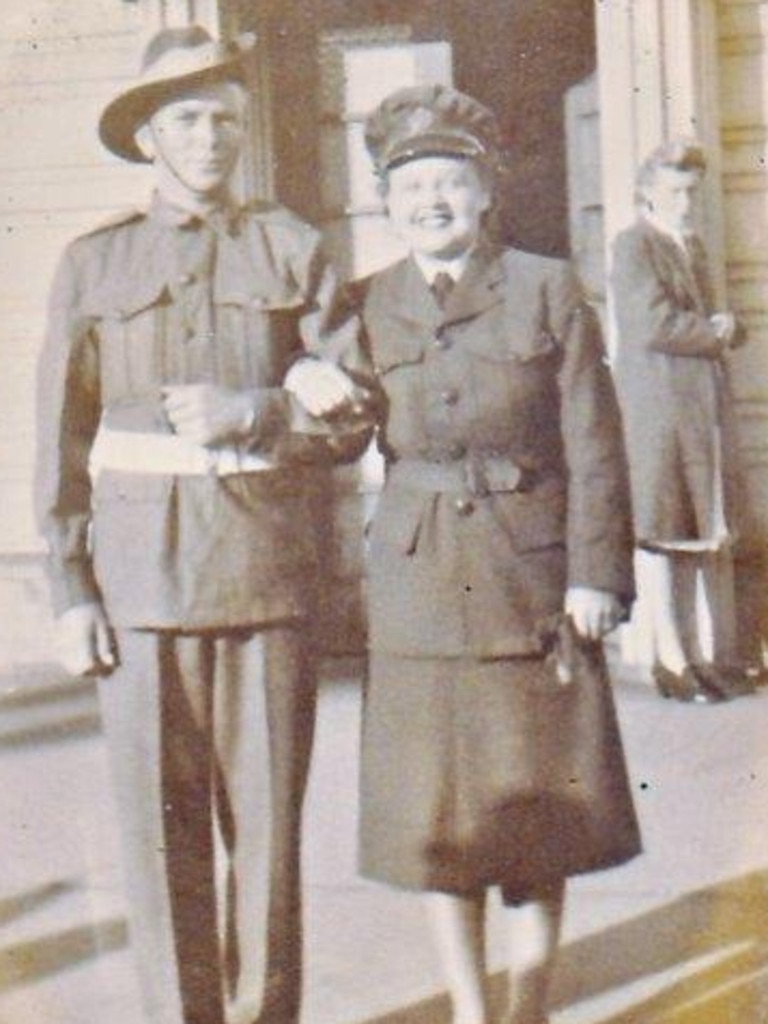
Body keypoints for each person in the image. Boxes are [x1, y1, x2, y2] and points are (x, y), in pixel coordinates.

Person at [35, 25, 365, 1024]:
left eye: (226, 118)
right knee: (157, 838)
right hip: (138, 592)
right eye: (188, 119)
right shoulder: (94, 264)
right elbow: (61, 438)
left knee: (265, 842)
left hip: (264, 582)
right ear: (148, 139)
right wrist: (70, 587)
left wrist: (258, 411)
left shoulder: (292, 248)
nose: (213, 137)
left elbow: (355, 413)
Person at [299, 84, 641, 1024]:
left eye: (449, 183)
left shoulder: (547, 287)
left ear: (486, 193)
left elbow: (596, 443)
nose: (430, 204)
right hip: (417, 590)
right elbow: (338, 435)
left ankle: (528, 1006)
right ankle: (468, 1008)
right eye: (409, 190)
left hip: (530, 579)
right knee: (437, 820)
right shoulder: (369, 305)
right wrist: (305, 376)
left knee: (540, 812)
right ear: (387, 204)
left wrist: (595, 575)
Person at [611, 138, 754, 704]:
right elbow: (652, 324)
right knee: (661, 529)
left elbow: (710, 319)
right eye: (674, 190)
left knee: (697, 530)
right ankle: (669, 659)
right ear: (648, 191)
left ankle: (699, 654)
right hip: (658, 405)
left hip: (698, 405)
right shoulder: (634, 245)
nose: (686, 201)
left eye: (692, 190)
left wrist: (727, 327)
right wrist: (715, 332)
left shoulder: (689, 245)